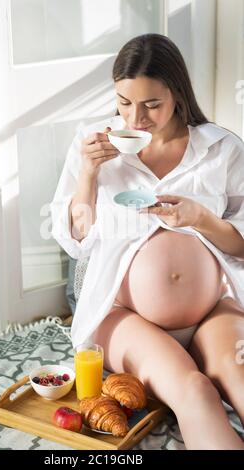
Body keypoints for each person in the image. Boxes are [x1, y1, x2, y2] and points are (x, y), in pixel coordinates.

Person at [50, 34, 244, 449]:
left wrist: (203, 219)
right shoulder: (94, 145)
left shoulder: (221, 148)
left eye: (151, 104)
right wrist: (88, 175)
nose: (135, 118)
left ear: (177, 93)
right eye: (123, 102)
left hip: (213, 311)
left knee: (242, 382)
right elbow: (76, 240)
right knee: (195, 392)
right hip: (122, 316)